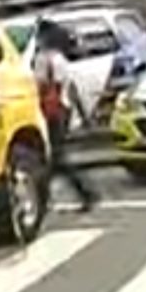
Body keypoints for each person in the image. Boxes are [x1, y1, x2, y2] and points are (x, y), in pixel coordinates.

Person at [33, 20, 98, 212]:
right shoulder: (60, 59)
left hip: (49, 112)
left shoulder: (43, 59)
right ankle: (44, 200)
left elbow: (40, 86)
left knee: (53, 159)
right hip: (62, 110)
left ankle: (85, 193)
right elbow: (71, 89)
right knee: (53, 159)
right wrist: (84, 114)